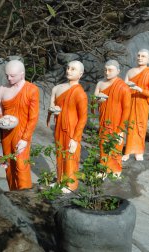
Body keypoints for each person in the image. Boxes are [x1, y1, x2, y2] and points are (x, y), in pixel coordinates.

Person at [0, 60, 39, 190]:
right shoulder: (2, 89)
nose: (9, 78)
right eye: (7, 75)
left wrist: (25, 139)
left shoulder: (31, 90)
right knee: (8, 165)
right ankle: (13, 194)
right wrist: (2, 119)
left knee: (21, 165)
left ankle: (25, 197)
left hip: (22, 134)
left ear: (22, 74)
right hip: (6, 133)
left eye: (12, 75)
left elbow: (33, 117)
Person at [47, 60, 88, 191]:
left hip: (71, 129)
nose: (69, 71)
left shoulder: (79, 93)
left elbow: (83, 118)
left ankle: (70, 184)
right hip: (59, 126)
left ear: (80, 74)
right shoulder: (57, 88)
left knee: (70, 155)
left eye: (73, 69)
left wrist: (76, 138)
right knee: (60, 153)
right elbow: (51, 106)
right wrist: (53, 110)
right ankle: (60, 180)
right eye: (68, 68)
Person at [95, 60, 131, 176]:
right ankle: (103, 168)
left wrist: (121, 129)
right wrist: (97, 100)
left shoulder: (123, 87)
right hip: (104, 119)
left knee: (116, 145)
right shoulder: (100, 83)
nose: (107, 72)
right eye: (105, 70)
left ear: (118, 71)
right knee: (103, 144)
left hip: (117, 121)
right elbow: (93, 101)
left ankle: (115, 169)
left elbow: (126, 109)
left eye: (110, 70)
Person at [122, 49, 149, 161]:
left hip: (142, 103)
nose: (140, 58)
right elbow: (123, 88)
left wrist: (138, 88)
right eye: (139, 55)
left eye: (143, 56)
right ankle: (127, 151)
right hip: (130, 101)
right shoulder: (130, 72)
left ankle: (138, 151)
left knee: (140, 126)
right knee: (129, 126)